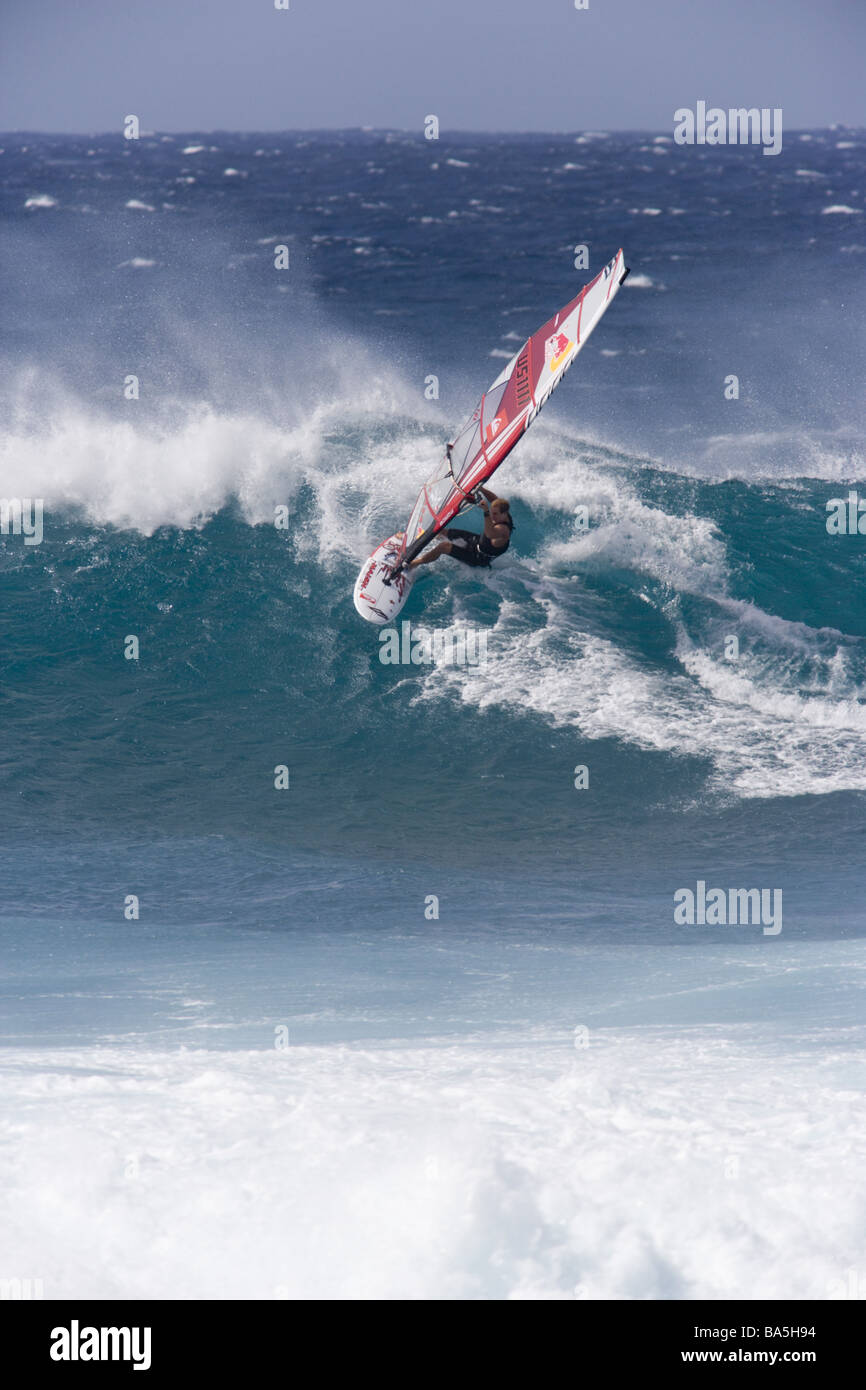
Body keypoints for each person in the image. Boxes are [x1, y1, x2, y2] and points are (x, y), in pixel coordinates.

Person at [407, 488, 514, 570]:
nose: (492, 516)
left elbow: (489, 533)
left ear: (504, 514)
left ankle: (415, 563)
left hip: (478, 557)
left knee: (444, 546)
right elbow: (495, 499)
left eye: (495, 514)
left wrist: (486, 511)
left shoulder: (503, 529)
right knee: (443, 531)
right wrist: (480, 488)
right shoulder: (504, 513)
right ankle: (425, 537)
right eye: (492, 512)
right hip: (477, 542)